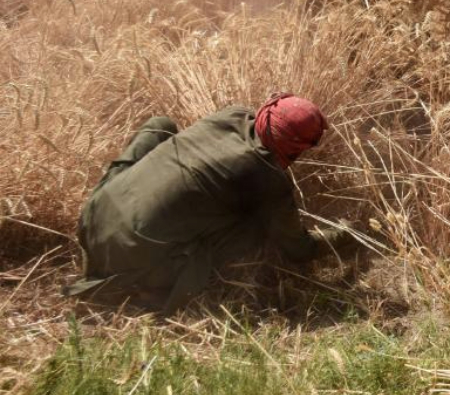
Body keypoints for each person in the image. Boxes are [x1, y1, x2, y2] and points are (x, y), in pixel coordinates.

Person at [65, 94, 340, 314]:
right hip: (128, 256)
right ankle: (147, 286)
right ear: (293, 148)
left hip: (93, 217)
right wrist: (344, 236)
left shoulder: (232, 115)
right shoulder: (268, 178)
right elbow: (299, 250)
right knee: (253, 229)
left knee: (161, 125)